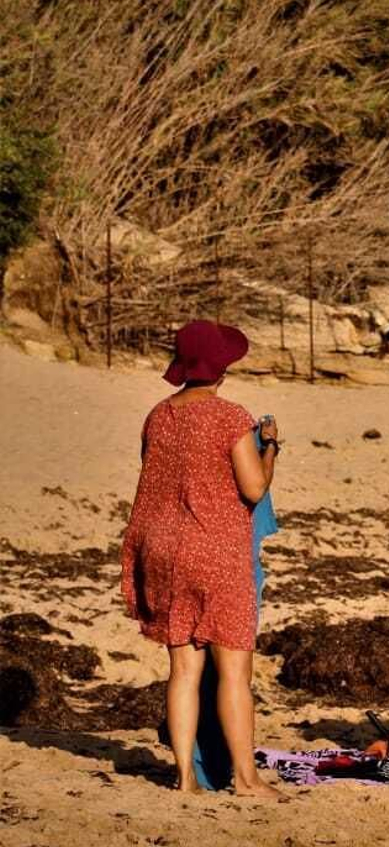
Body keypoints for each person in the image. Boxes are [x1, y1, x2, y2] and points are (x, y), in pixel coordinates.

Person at [120, 320, 281, 798]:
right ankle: (247, 779)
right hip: (214, 549)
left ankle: (185, 778)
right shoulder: (230, 416)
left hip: (162, 549)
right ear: (221, 370)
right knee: (234, 673)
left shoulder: (158, 415)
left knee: (183, 672)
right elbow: (253, 488)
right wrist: (269, 447)